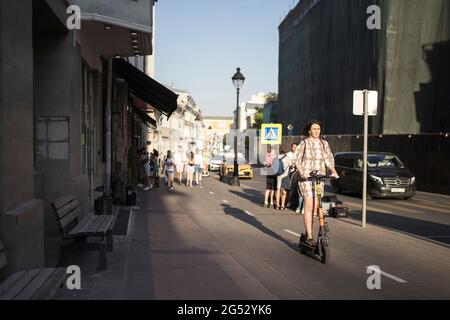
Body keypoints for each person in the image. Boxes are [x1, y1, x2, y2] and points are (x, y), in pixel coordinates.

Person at [295, 120, 339, 247]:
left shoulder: (324, 143)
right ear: (309, 130)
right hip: (307, 179)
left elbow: (329, 160)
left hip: (319, 178)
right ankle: (309, 235)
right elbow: (296, 160)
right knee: (309, 205)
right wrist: (302, 172)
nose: (316, 131)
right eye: (314, 129)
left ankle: (313, 230)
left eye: (318, 129)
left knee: (316, 207)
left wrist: (334, 172)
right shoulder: (304, 143)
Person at [275, 145, 292, 210]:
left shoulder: (276, 157)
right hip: (285, 175)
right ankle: (282, 206)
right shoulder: (287, 158)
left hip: (278, 175)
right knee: (284, 191)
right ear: (286, 150)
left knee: (278, 189)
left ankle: (277, 205)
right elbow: (291, 165)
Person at [285, 143, 298, 211]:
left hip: (298, 174)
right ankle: (288, 202)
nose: (294, 148)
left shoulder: (300, 154)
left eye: (296, 147)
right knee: (289, 188)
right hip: (290, 173)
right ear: (291, 148)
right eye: (293, 147)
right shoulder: (288, 154)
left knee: (296, 190)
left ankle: (296, 204)